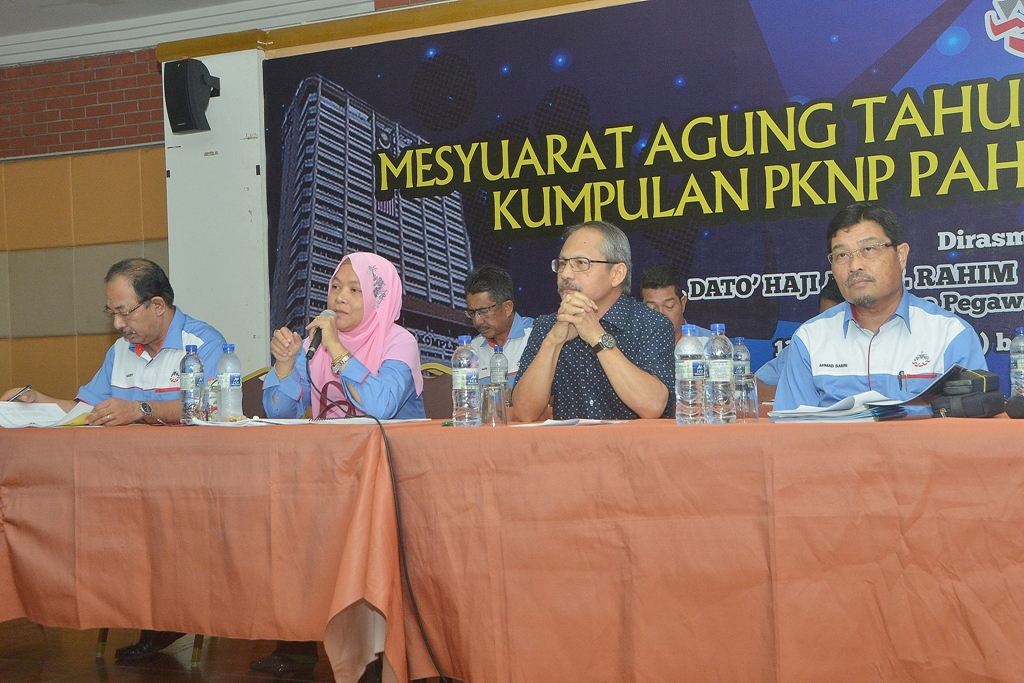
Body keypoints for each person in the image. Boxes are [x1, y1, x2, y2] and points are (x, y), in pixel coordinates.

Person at [1, 257, 225, 663]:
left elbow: (210, 408)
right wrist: (40, 400)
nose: (118, 324)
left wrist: (141, 409)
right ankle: (136, 611)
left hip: (186, 486)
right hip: (127, 484)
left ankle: (171, 613)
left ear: (157, 305)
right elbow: (88, 410)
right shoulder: (120, 351)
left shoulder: (201, 343)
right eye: (112, 314)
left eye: (124, 312)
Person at [253, 252, 424, 678]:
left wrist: (336, 349)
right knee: (286, 530)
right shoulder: (314, 344)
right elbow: (279, 411)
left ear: (380, 298)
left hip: (390, 480)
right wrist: (285, 365)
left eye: (354, 290)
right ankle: (302, 642)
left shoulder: (398, 341)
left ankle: (378, 656)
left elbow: (380, 405)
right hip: (331, 475)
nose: (339, 297)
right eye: (335, 287)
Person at [774, 203, 988, 412]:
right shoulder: (810, 339)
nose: (854, 266)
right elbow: (792, 430)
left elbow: (972, 428)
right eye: (842, 255)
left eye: (868, 249)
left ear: (901, 256)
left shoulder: (950, 335)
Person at [512, 221, 675, 421]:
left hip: (631, 442)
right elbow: (524, 413)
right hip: (568, 442)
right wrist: (553, 342)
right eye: (562, 263)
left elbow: (653, 406)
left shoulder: (651, 323)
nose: (565, 274)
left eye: (581, 263)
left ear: (617, 274)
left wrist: (597, 337)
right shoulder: (547, 326)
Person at [756, 276, 844, 401]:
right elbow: (756, 385)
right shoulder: (805, 344)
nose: (827, 324)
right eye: (823, 318)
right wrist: (798, 391)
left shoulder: (867, 345)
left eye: (835, 319)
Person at [464, 265, 534, 388]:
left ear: (507, 307)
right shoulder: (473, 349)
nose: (477, 321)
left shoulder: (536, 336)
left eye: (483, 311)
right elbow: (467, 397)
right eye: (472, 313)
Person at [638, 264, 710, 341]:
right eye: (652, 308)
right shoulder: (633, 345)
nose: (661, 315)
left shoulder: (709, 342)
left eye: (669, 306)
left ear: (683, 304)